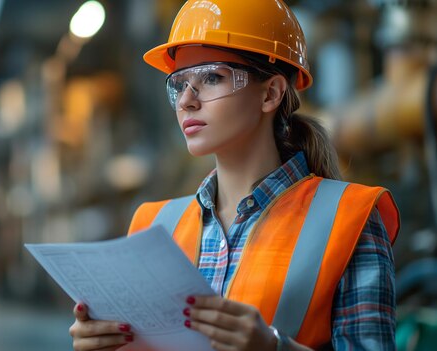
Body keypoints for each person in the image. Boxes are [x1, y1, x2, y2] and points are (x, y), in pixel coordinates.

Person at [69, 0, 400, 350]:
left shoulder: (350, 220)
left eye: (211, 77)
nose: (186, 101)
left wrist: (274, 348)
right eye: (180, 84)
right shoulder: (152, 225)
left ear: (270, 93)